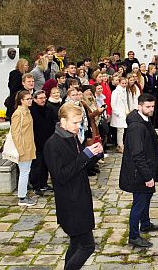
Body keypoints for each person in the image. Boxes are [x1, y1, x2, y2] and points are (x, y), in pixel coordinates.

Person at [44, 103, 103, 270]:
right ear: (63, 121)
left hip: (80, 197)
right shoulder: (53, 144)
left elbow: (80, 167)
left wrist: (94, 156)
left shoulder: (72, 136)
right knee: (87, 246)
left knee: (76, 244)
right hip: (70, 203)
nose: (79, 126)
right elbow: (61, 176)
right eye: (75, 123)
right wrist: (84, 155)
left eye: (80, 122)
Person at [119, 94, 158, 248]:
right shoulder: (136, 127)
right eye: (148, 107)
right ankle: (133, 236)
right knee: (139, 203)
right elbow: (137, 154)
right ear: (139, 106)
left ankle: (145, 223)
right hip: (139, 174)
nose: (151, 109)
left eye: (152, 106)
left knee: (147, 197)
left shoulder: (144, 119)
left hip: (147, 170)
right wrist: (147, 177)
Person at [11, 90, 37, 206]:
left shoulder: (27, 111)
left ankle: (24, 194)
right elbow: (15, 133)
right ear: (21, 101)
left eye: (31, 98)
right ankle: (22, 197)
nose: (30, 100)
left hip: (29, 145)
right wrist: (20, 150)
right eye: (28, 99)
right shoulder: (18, 113)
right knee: (24, 172)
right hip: (23, 147)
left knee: (26, 171)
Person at [29, 90, 57, 196]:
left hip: (48, 140)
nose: (43, 100)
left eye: (44, 98)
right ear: (34, 99)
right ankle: (36, 185)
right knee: (37, 165)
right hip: (36, 141)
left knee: (46, 164)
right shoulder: (32, 110)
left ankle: (44, 183)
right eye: (40, 98)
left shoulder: (48, 108)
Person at [110, 77, 130, 153]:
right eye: (123, 83)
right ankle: (120, 145)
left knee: (122, 130)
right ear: (119, 83)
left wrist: (127, 111)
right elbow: (113, 104)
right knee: (120, 130)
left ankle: (121, 144)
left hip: (124, 112)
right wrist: (117, 113)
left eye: (125, 83)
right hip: (119, 114)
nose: (124, 85)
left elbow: (125, 102)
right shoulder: (116, 92)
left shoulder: (124, 91)